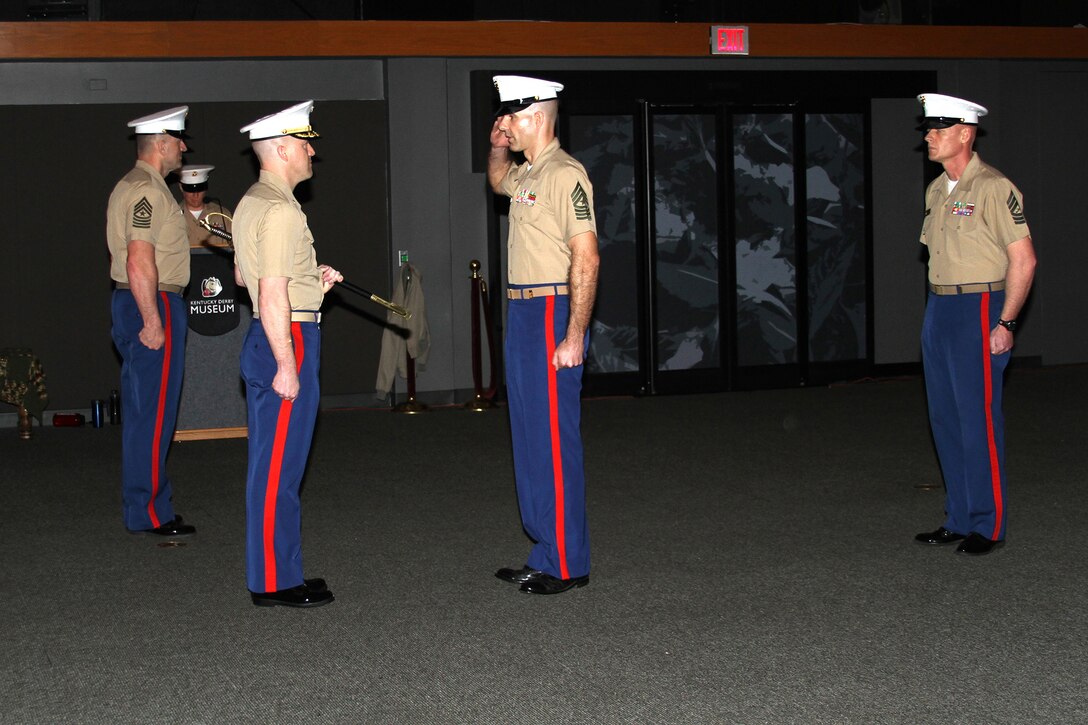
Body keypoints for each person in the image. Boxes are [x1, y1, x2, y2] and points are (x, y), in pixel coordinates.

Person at [487, 76, 600, 595]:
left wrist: (575, 334)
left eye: (512, 115)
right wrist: (497, 147)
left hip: (554, 309)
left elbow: (587, 256)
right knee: (529, 435)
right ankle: (545, 549)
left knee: (554, 442)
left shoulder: (566, 174)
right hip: (524, 313)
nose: (506, 122)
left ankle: (568, 562)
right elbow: (497, 183)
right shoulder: (530, 171)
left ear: (537, 117)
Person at [913, 93, 1037, 556]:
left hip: (981, 307)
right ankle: (959, 517)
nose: (929, 135)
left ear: (965, 134)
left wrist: (1006, 321)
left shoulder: (992, 187)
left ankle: (989, 524)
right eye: (929, 129)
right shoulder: (935, 189)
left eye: (939, 129)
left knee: (978, 419)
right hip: (940, 308)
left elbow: (1023, 260)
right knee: (944, 417)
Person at [233, 101, 342, 608]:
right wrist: (287, 365)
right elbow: (271, 292)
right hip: (288, 339)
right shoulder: (280, 210)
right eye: (304, 143)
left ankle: (281, 569)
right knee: (279, 469)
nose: (312, 150)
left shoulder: (253, 201)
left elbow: (245, 277)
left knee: (274, 465)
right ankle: (274, 582)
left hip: (276, 330)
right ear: (280, 148)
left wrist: (310, 283)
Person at [106, 105, 196, 537]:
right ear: (161, 144)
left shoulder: (140, 186)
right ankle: (148, 512)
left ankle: (148, 506)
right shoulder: (146, 190)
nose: (183, 146)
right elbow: (139, 259)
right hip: (152, 301)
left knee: (149, 412)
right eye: (178, 139)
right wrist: (153, 320)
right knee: (154, 415)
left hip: (143, 301)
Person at [178, 164, 233, 247]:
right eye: (190, 189)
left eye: (200, 189)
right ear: (181, 187)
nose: (195, 195)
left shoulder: (221, 215)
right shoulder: (172, 215)